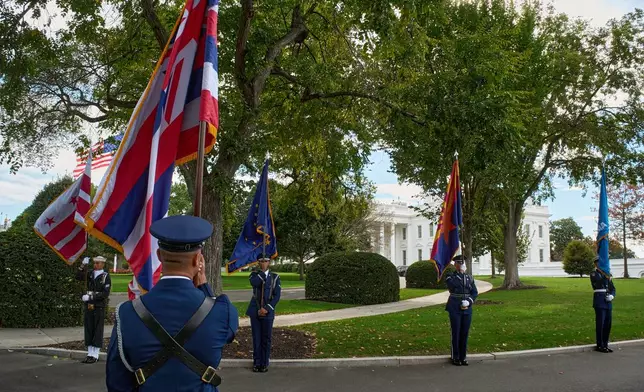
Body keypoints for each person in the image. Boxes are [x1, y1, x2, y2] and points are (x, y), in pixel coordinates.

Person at [106, 215, 239, 391]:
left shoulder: (127, 312)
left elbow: (117, 380)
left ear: (159, 255)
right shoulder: (222, 311)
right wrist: (203, 283)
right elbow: (227, 333)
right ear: (197, 260)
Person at [246, 257, 281, 373]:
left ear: (269, 262)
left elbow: (277, 296)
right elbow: (254, 283)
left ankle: (264, 363)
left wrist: (267, 308)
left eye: (266, 261)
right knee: (257, 338)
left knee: (266, 338)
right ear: (258, 262)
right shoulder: (254, 275)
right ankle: (257, 363)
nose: (263, 263)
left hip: (267, 312)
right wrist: (262, 273)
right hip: (255, 311)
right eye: (261, 261)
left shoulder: (275, 277)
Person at [76, 255, 111, 364]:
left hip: (98, 306)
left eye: (98, 263)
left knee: (97, 330)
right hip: (89, 305)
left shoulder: (105, 276)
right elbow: (78, 276)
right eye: (94, 262)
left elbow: (105, 293)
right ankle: (89, 353)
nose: (95, 264)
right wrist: (83, 265)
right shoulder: (90, 273)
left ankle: (95, 354)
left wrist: (90, 297)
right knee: (89, 329)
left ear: (102, 264)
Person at [445, 255, 478, 366]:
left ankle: (463, 357)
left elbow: (474, 292)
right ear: (455, 265)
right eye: (459, 263)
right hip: (454, 306)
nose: (461, 265)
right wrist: (460, 274)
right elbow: (452, 285)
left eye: (462, 263)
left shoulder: (470, 277)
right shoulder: (450, 276)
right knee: (456, 332)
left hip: (467, 308)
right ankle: (455, 356)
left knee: (464, 333)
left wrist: (469, 300)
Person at [590, 257, 616, 353]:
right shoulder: (594, 274)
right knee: (600, 324)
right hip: (600, 301)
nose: (600, 264)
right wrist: (605, 277)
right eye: (598, 263)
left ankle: (605, 344)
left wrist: (612, 296)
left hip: (608, 302)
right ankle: (600, 345)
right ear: (596, 264)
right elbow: (596, 284)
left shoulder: (607, 274)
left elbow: (613, 288)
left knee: (608, 324)